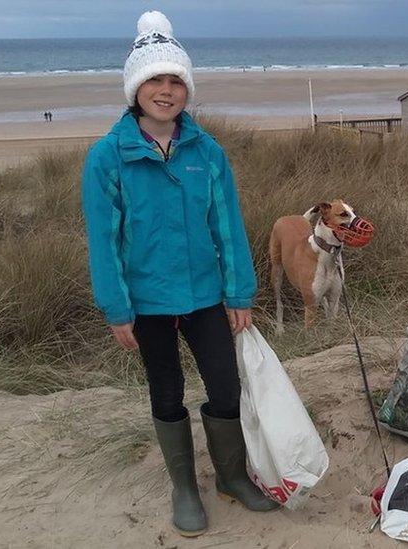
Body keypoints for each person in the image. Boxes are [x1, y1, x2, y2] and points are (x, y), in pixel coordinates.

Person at [80, 11, 278, 537]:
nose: (166, 91)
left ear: (186, 89)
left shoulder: (206, 151)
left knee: (224, 385)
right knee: (166, 393)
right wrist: (115, 307)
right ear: (135, 87)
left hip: (207, 295)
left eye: (175, 81)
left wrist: (239, 291)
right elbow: (104, 243)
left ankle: (231, 477)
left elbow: (228, 228)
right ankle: (185, 488)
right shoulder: (107, 158)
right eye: (154, 80)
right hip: (145, 301)